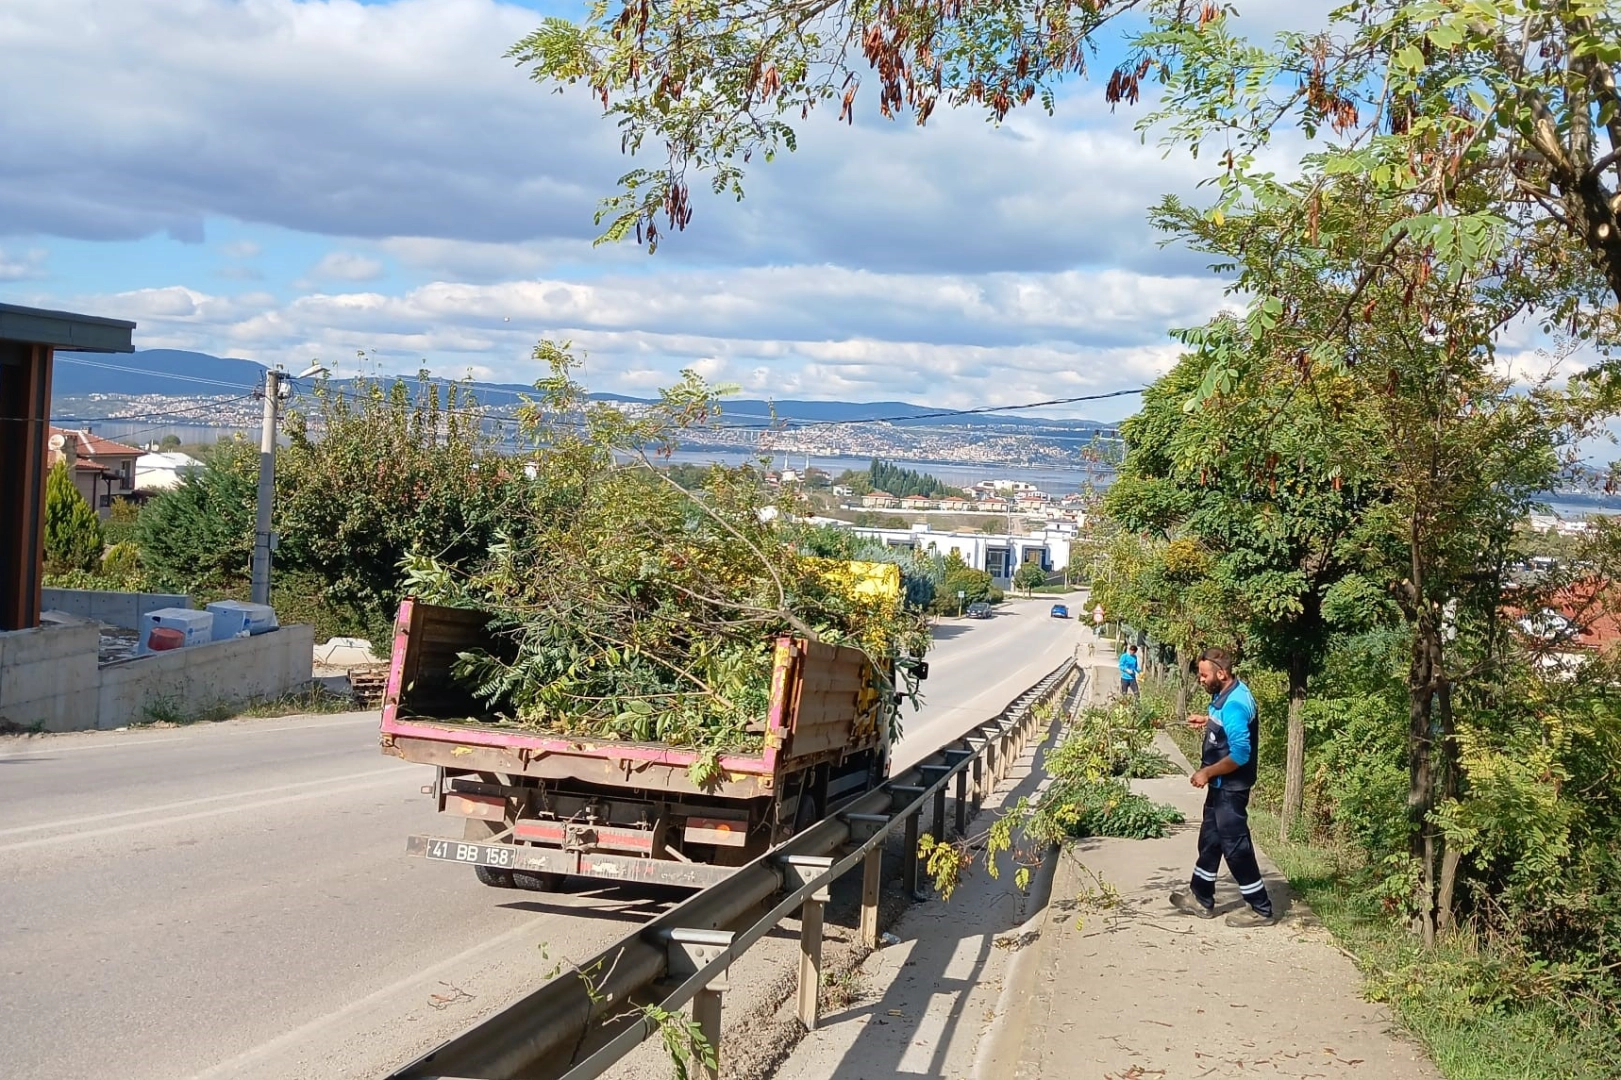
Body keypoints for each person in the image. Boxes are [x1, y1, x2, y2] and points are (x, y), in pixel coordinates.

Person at [1170, 647, 1276, 927]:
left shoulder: (1236, 704)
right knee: (1210, 840)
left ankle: (1260, 908)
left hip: (1231, 787)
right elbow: (1227, 726)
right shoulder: (1224, 695)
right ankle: (1201, 897)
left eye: (1204, 675)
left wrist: (1206, 771)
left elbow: (1241, 753)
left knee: (1236, 847)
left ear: (1222, 673)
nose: (1201, 680)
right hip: (1220, 785)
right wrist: (1207, 721)